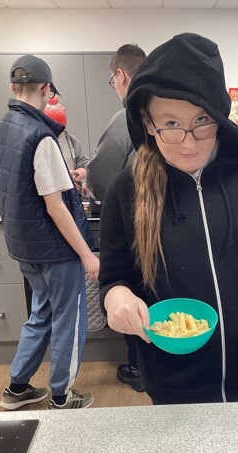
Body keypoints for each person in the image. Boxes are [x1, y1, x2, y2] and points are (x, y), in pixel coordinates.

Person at [99, 33, 238, 405]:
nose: (189, 142)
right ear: (147, 122)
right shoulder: (126, 190)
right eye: (170, 123)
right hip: (175, 387)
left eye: (202, 120)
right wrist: (116, 300)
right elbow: (113, 279)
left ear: (219, 113)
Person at [0, 54, 99, 410]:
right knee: (69, 319)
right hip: (56, 251)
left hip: (26, 250)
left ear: (12, 87)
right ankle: (63, 396)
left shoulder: (1, 130)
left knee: (41, 314)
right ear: (47, 89)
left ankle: (17, 388)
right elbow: (56, 206)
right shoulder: (41, 137)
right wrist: (87, 255)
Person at [87, 43, 146, 393]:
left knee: (130, 295)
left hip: (134, 229)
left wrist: (88, 180)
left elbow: (103, 179)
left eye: (112, 81)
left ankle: (139, 369)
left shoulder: (126, 116)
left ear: (120, 76)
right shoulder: (160, 112)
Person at [44, 96, 89, 193]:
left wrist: (75, 176)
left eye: (61, 127)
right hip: (51, 193)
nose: (58, 131)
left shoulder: (72, 141)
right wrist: (65, 178)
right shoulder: (39, 144)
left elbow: (84, 165)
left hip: (73, 192)